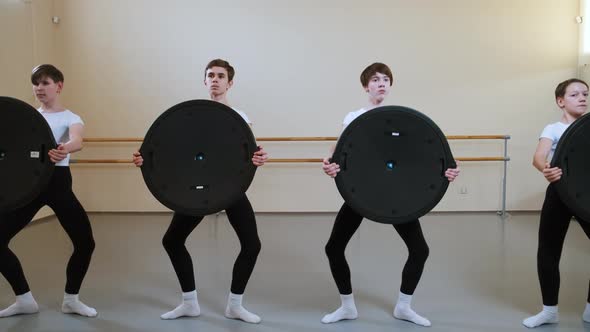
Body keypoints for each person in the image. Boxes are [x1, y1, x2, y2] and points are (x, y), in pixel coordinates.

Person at [320, 62, 459, 326]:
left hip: (396, 194)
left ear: (390, 85)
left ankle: (404, 307)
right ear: (365, 86)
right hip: (363, 192)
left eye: (385, 79)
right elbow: (337, 148)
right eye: (374, 79)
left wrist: (448, 169)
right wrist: (328, 161)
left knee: (419, 249)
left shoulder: (403, 118)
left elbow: (421, 156)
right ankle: (347, 306)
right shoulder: (355, 117)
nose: (381, 83)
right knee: (334, 247)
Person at [133, 59, 267, 323]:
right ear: (204, 81)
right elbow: (171, 150)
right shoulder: (190, 116)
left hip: (230, 188)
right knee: (172, 240)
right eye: (210, 75)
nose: (215, 79)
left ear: (230, 83)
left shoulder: (240, 118)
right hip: (196, 190)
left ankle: (235, 305)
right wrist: (144, 160)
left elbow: (249, 152)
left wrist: (258, 157)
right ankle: (189, 302)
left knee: (252, 245)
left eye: (221, 76)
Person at [0, 64, 97, 318]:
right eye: (36, 83)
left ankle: (71, 299)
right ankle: (24, 300)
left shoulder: (71, 118)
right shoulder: (27, 117)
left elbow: (77, 140)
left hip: (58, 184)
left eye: (45, 83)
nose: (39, 88)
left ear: (59, 86)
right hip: (28, 187)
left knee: (85, 243)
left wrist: (65, 148)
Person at [523, 78, 590, 328]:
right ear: (560, 101)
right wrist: (547, 169)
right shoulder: (552, 128)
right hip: (560, 194)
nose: (582, 98)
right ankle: (549, 311)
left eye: (585, 93)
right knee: (548, 251)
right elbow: (539, 157)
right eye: (574, 95)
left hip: (588, 195)